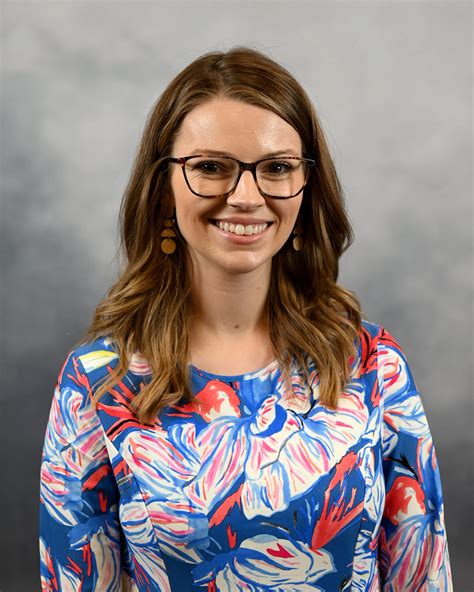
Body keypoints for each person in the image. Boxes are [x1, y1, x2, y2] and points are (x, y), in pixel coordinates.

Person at [39, 46, 452, 591]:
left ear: (306, 187)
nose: (245, 196)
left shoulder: (373, 365)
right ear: (163, 185)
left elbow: (423, 576)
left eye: (276, 168)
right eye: (210, 167)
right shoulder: (98, 381)